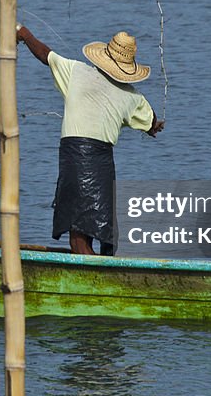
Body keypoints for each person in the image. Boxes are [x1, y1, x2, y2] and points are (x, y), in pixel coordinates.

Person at [17, 25, 165, 255]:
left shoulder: (77, 71)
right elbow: (151, 120)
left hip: (79, 155)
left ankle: (97, 273)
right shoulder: (132, 96)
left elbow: (46, 55)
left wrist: (25, 35)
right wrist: (153, 126)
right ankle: (99, 271)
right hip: (96, 157)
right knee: (96, 227)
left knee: (83, 229)